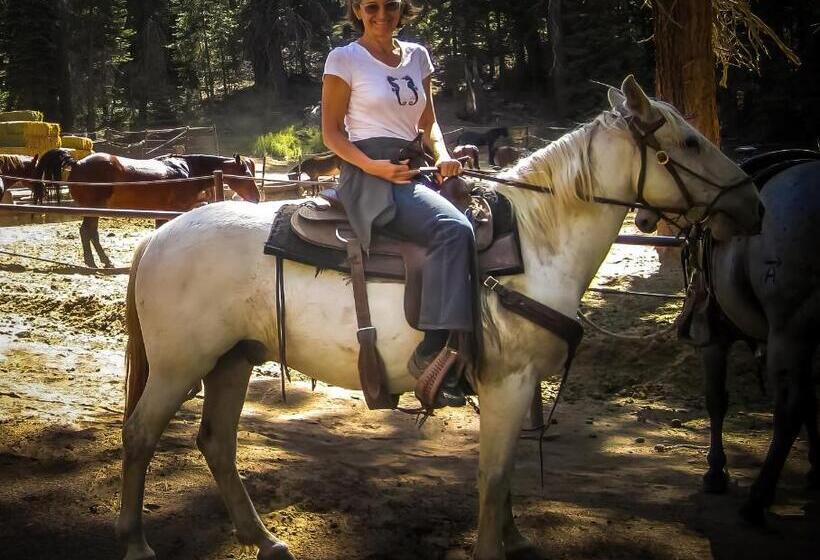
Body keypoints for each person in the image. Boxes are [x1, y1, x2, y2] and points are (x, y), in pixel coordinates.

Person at [322, 0, 474, 407]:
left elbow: (428, 124)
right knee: (454, 229)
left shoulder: (418, 56)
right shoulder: (344, 58)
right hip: (368, 173)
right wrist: (375, 167)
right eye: (371, 6)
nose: (382, 14)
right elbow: (332, 135)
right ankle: (432, 352)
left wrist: (442, 154)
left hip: (413, 165)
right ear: (357, 9)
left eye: (390, 5)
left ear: (402, 8)